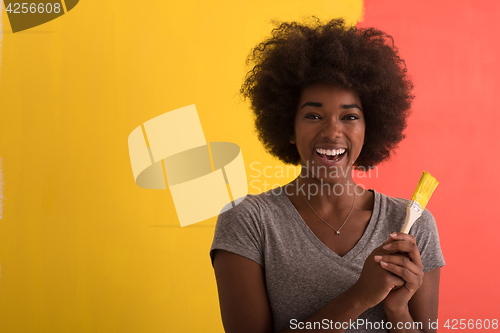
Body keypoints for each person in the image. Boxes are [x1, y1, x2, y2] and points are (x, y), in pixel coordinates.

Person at [210, 18, 445, 333]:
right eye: (313, 115)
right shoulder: (249, 222)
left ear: (369, 128)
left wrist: (397, 308)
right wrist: (360, 296)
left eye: (349, 116)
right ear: (289, 128)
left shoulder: (414, 226)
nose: (333, 131)